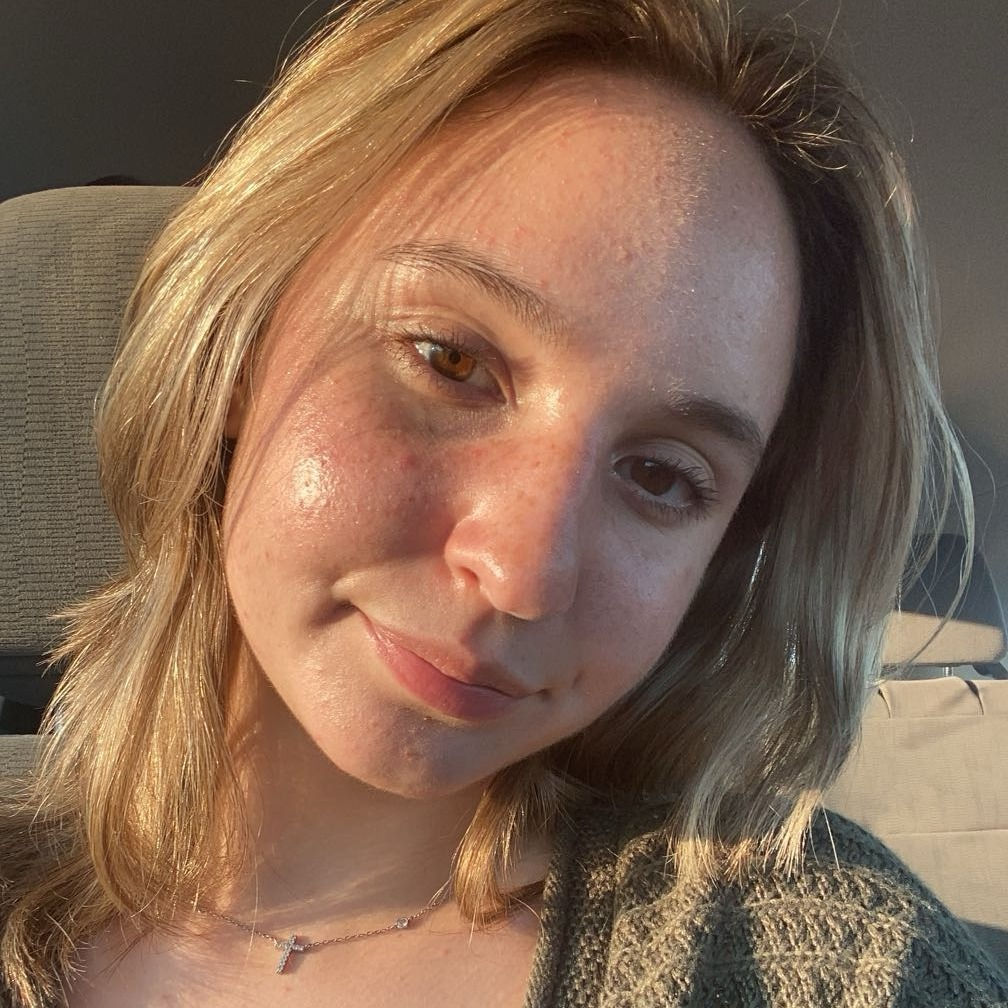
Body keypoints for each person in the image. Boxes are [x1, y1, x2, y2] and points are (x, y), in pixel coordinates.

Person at [2, 0, 1005, 1005]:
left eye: (662, 475)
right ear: (240, 342)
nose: (522, 575)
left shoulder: (844, 967)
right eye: (450, 361)